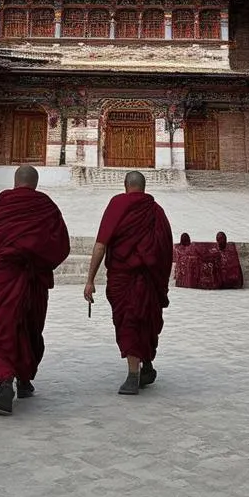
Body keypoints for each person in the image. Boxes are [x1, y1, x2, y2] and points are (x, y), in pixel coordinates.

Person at [0, 163, 70, 415]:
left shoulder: (0, 207)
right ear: (36, 183)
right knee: (30, 327)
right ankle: (25, 378)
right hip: (34, 279)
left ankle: (5, 379)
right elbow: (62, 245)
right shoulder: (46, 208)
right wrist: (41, 261)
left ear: (15, 181)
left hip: (4, 275)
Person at [83, 170, 173, 396]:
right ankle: (146, 365)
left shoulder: (118, 204)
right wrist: (161, 281)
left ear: (125, 186)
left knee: (130, 320)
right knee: (144, 319)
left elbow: (101, 244)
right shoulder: (156, 211)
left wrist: (90, 280)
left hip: (124, 277)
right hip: (149, 279)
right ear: (144, 187)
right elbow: (165, 251)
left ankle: (134, 375)